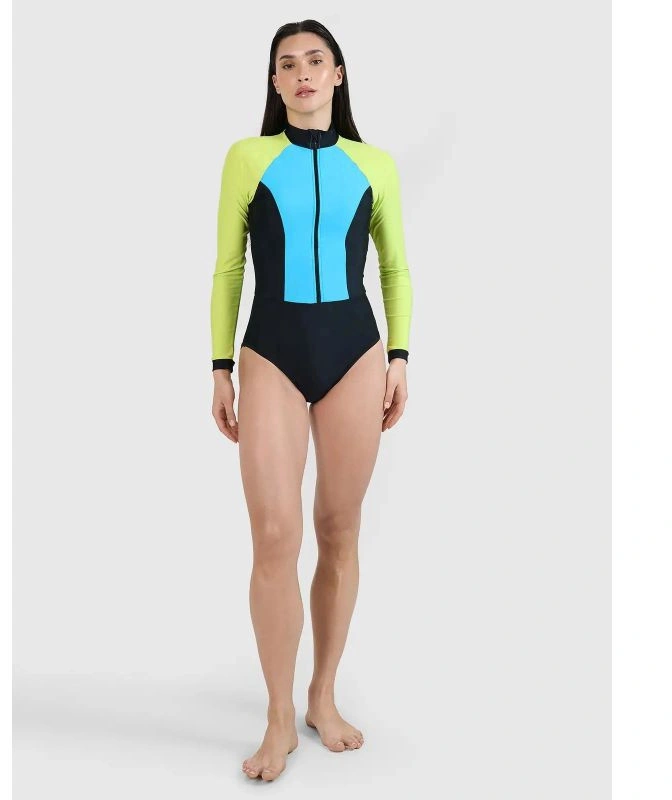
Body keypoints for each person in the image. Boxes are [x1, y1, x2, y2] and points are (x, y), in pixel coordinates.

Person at [209, 19, 413, 782]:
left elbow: (395, 269)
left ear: (337, 74)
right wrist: (221, 366)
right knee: (274, 534)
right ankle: (276, 717)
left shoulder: (375, 165)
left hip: (355, 354)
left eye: (315, 60)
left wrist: (399, 356)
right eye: (287, 63)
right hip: (271, 352)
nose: (301, 72)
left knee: (339, 528)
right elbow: (229, 268)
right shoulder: (248, 158)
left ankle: (321, 697)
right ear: (274, 81)